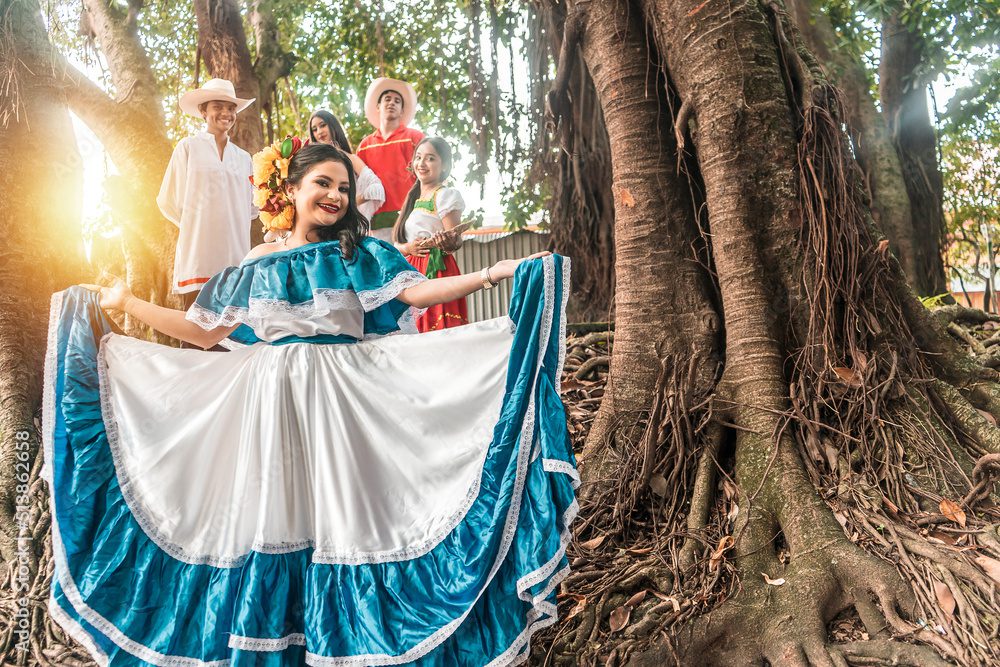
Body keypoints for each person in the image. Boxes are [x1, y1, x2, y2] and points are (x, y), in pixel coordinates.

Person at [44, 141, 578, 666]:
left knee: (346, 514)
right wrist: (127, 302)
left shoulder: (357, 252)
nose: (335, 195)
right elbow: (201, 333)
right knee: (276, 514)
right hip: (269, 408)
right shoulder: (258, 261)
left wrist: (496, 273)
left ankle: (347, 643)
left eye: (343, 187)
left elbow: (414, 294)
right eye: (322, 183)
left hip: (341, 401)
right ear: (291, 189)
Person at [157, 78, 256, 308]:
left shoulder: (244, 158)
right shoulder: (188, 147)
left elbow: (252, 208)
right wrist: (196, 225)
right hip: (197, 261)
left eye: (231, 108)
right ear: (203, 111)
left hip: (236, 259)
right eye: (218, 107)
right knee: (194, 337)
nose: (226, 113)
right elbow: (167, 200)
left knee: (234, 340)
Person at [393, 137, 469, 332]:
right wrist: (408, 248)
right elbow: (396, 244)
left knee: (437, 331)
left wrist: (446, 243)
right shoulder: (412, 199)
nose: (422, 163)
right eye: (418, 157)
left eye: (430, 158)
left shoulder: (446, 195)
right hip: (411, 270)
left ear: (444, 166)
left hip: (436, 270)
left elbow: (455, 241)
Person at [357, 77, 424, 241]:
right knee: (385, 266)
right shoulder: (365, 146)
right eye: (387, 99)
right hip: (379, 221)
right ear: (378, 107)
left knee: (413, 265)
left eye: (397, 101)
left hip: (413, 215)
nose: (392, 103)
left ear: (402, 110)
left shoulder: (415, 138)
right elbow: (358, 184)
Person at [308, 109, 385, 224]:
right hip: (319, 223)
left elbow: (377, 187)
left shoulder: (351, 159)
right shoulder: (312, 162)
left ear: (333, 126)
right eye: (314, 129)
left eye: (323, 125)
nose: (319, 132)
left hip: (345, 224)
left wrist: (349, 204)